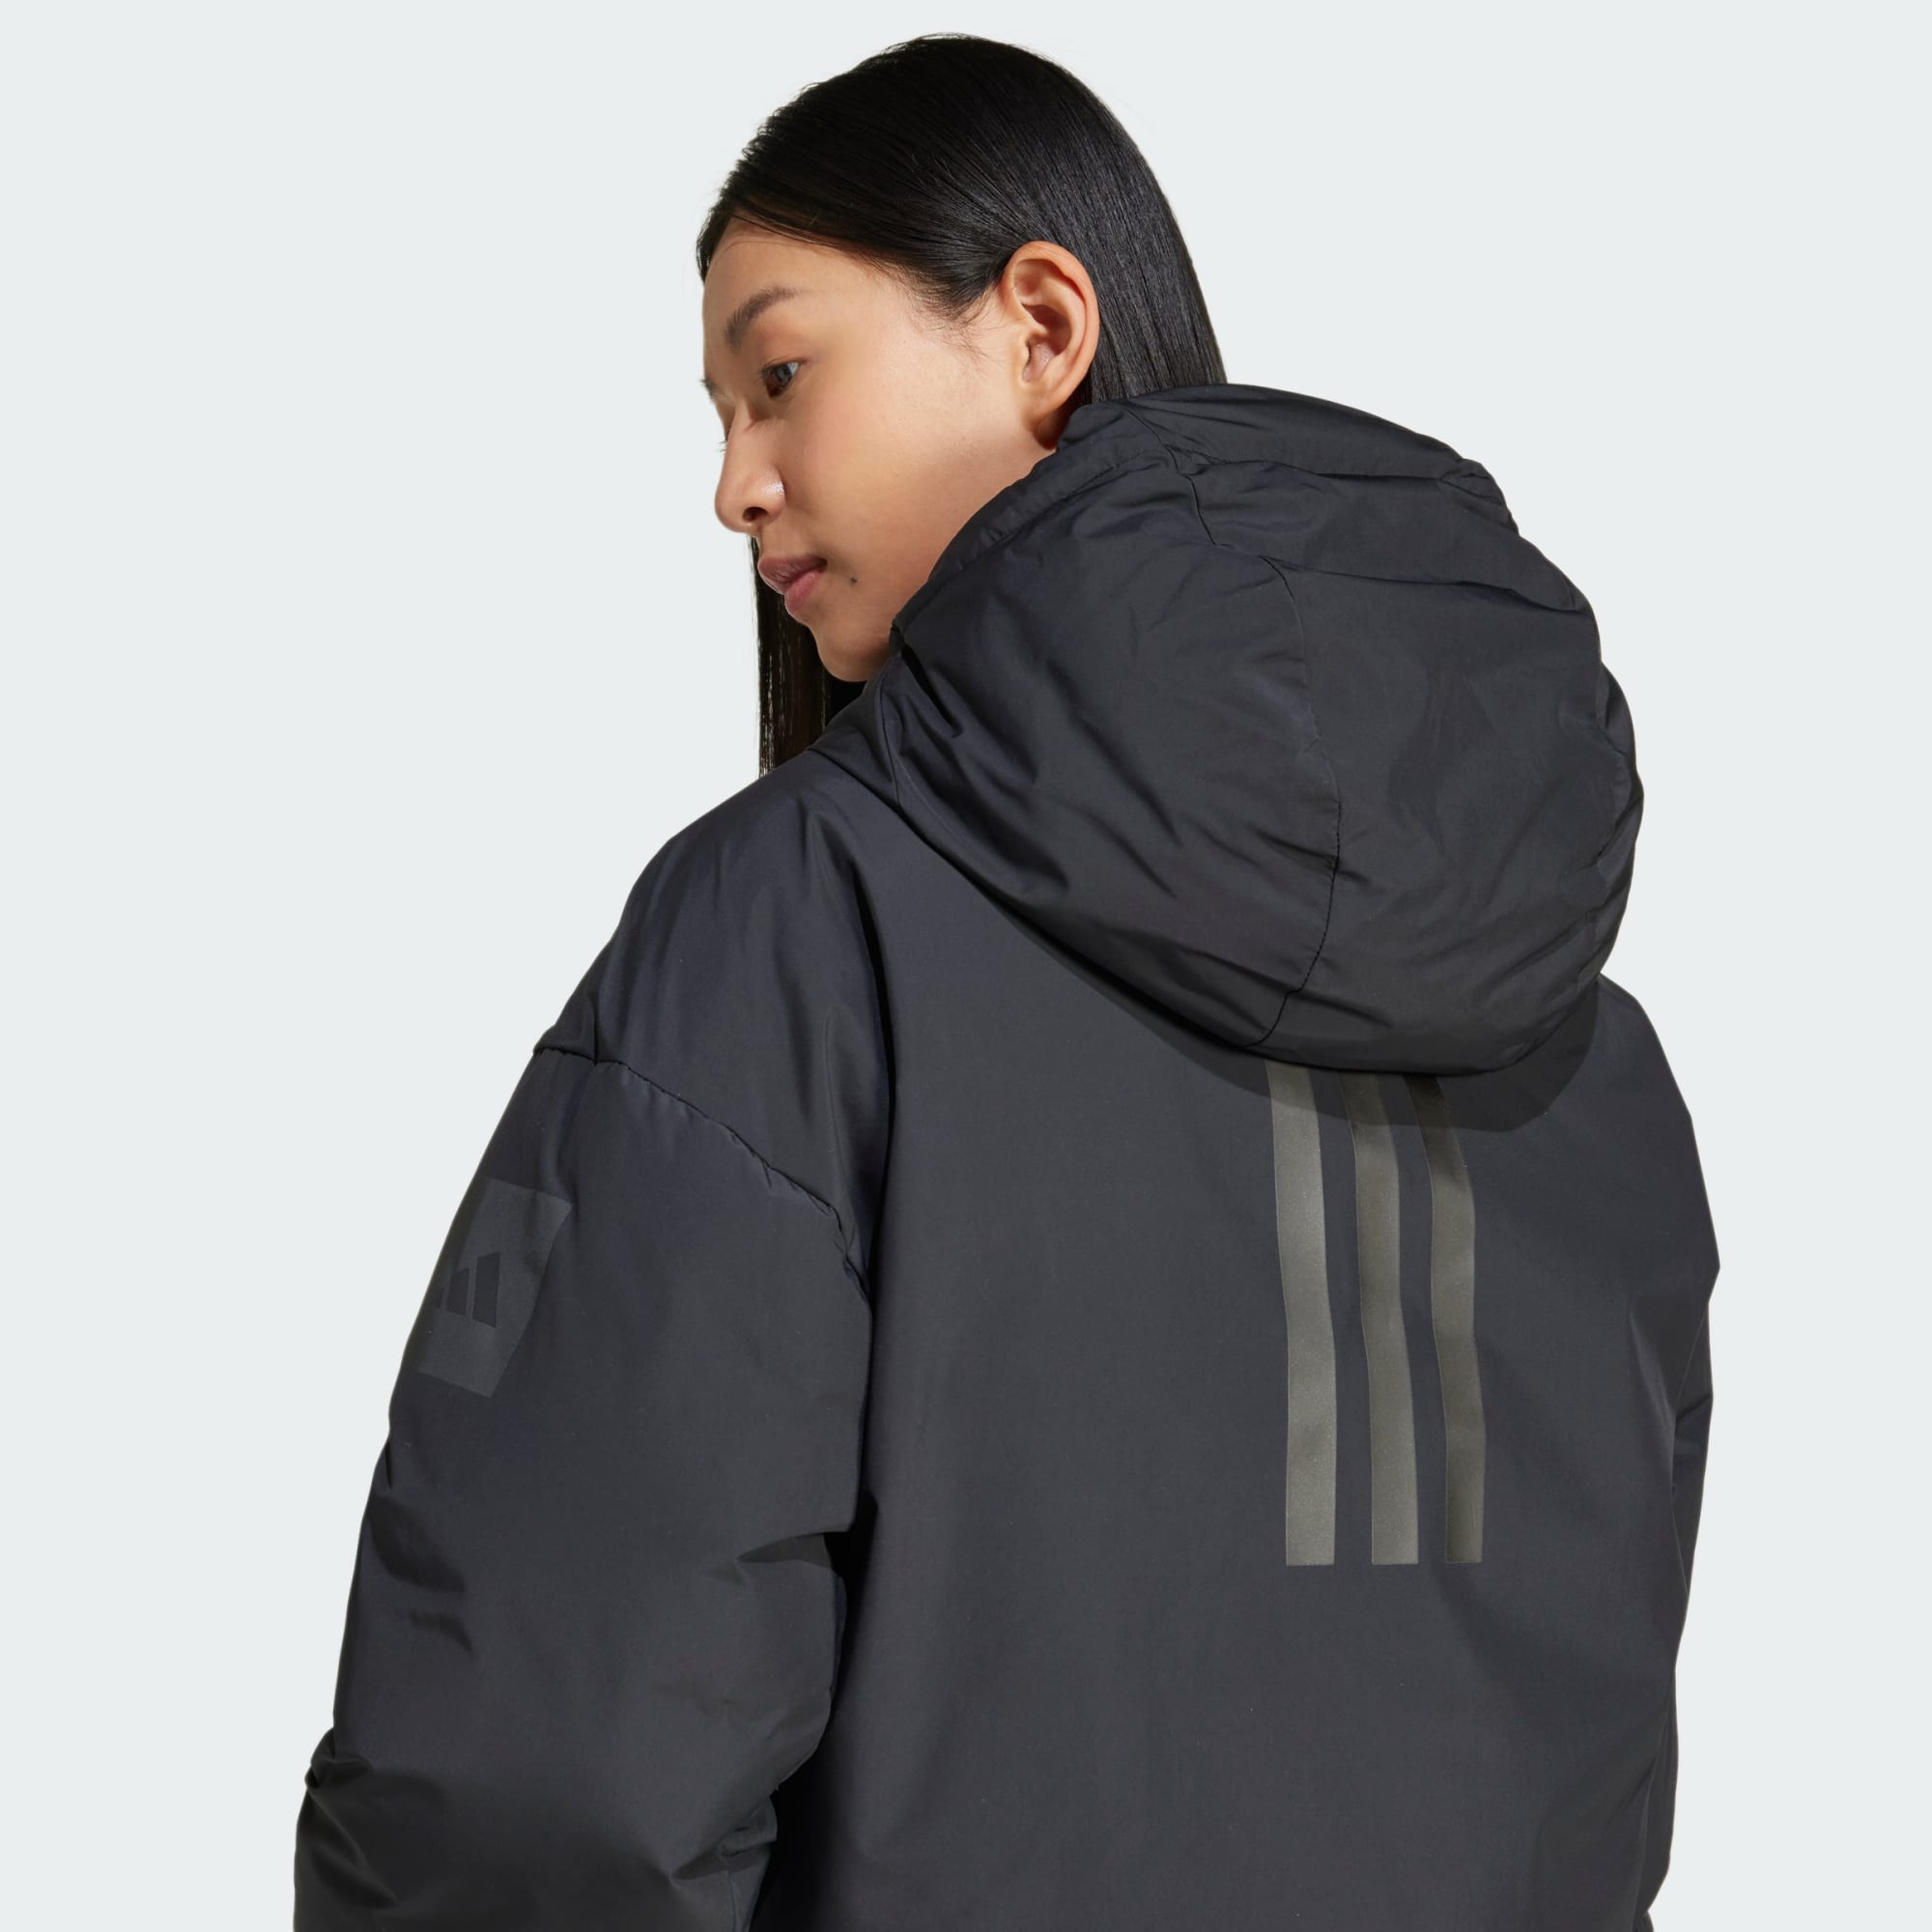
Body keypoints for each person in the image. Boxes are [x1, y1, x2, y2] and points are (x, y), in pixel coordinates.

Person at [293, 33, 1719, 1932]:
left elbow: (554, 1766)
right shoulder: (1567, 1021)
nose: (733, 484)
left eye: (778, 376)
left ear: (1041, 325)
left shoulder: (803, 921)